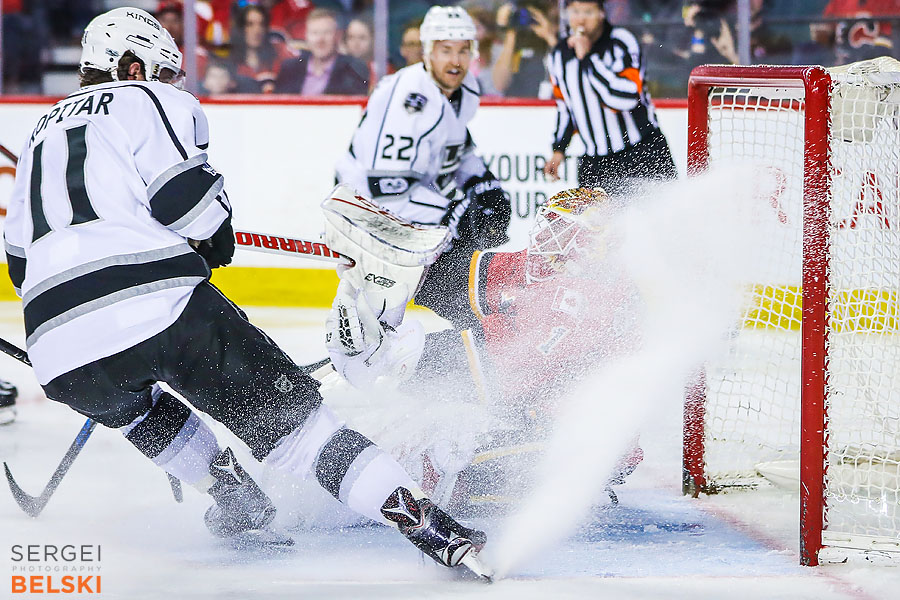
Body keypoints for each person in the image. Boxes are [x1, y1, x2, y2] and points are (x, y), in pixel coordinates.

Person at [3, 6, 488, 574]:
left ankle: (232, 493)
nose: (170, 85)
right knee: (305, 438)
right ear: (131, 67)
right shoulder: (147, 99)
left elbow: (18, 266)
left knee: (138, 411)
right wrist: (211, 242)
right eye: (163, 72)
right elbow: (190, 206)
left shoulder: (39, 133)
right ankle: (426, 524)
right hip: (161, 309)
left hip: (58, 352)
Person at [324, 187, 644, 512]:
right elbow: (455, 281)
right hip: (528, 412)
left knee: (439, 465)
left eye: (559, 229)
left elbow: (494, 371)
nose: (545, 236)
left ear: (587, 244)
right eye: (547, 224)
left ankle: (577, 489)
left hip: (576, 443)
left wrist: (396, 359)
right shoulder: (546, 269)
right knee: (428, 434)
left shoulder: (587, 302)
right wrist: (389, 264)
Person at [333, 5, 512, 332]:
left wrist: (483, 183)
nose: (455, 61)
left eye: (463, 50)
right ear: (427, 52)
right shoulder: (408, 100)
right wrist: (451, 214)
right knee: (375, 325)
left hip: (418, 217)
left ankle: (482, 347)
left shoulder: (464, 87)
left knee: (465, 298)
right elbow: (386, 192)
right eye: (445, 50)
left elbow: (456, 144)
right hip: (371, 219)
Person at [543, 0, 677, 197]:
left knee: (663, 219)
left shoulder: (621, 42)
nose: (581, 19)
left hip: (641, 152)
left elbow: (627, 98)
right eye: (575, 12)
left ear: (601, 13)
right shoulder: (559, 56)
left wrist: (588, 59)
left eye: (588, 12)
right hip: (595, 165)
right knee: (597, 227)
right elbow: (567, 107)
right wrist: (559, 150)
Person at [275, 8, 369, 95]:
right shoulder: (290, 68)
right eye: (314, 33)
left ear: (338, 35)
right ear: (306, 36)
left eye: (326, 32)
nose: (320, 39)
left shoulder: (354, 69)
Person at [491, 1, 558, 97]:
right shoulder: (513, 43)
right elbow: (500, 84)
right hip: (518, 106)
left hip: (548, 105)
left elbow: (566, 69)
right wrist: (511, 31)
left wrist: (548, 36)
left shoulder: (556, 43)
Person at [229, 4, 296, 93]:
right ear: (241, 28)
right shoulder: (229, 57)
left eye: (261, 24)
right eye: (250, 24)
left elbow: (298, 69)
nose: (257, 30)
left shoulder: (280, 49)